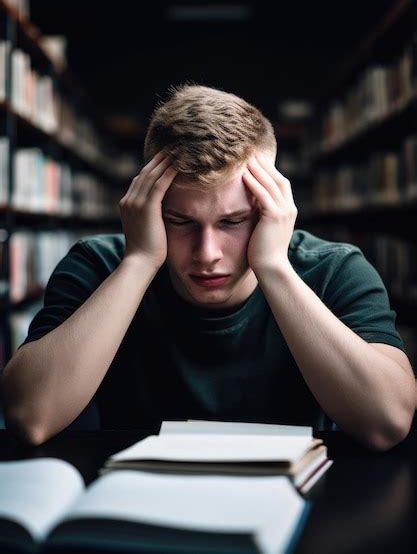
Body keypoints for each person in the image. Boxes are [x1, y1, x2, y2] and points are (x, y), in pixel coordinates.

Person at [1, 85, 415, 448]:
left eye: (233, 222)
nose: (207, 253)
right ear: (145, 210)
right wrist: (141, 260)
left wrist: (273, 265)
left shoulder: (335, 270)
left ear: (275, 210)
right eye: (179, 221)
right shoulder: (97, 265)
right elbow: (30, 417)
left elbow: (387, 422)